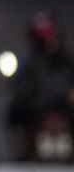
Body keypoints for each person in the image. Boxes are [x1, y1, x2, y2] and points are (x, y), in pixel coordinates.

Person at [5, 12, 74, 159]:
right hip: (39, 109)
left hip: (63, 107)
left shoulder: (66, 59)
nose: (52, 42)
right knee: (15, 110)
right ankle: (21, 144)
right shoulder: (31, 61)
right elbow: (18, 79)